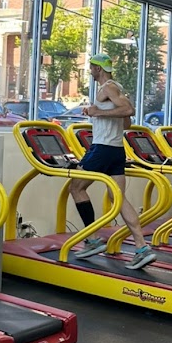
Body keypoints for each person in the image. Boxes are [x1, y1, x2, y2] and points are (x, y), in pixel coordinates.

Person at [69, 54, 157, 270]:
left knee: (76, 188)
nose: (90, 71)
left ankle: (92, 239)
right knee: (117, 197)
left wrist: (97, 112)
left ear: (99, 68)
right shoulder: (116, 89)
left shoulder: (108, 87)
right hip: (117, 149)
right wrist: (102, 112)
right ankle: (142, 247)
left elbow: (129, 111)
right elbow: (127, 123)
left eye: (91, 67)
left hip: (102, 148)